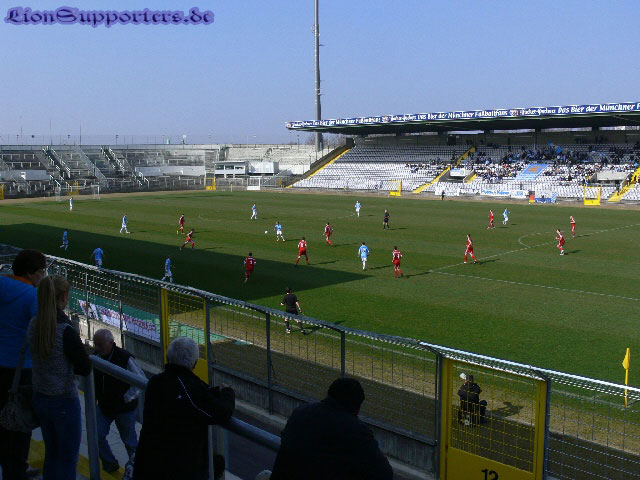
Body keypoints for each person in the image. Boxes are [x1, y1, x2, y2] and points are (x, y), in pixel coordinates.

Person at [132, 337, 235, 480]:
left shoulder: (156, 382)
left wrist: (213, 391)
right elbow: (222, 413)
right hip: (174, 470)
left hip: (147, 464)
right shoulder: (189, 388)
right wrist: (228, 392)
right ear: (194, 363)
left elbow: (190, 398)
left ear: (168, 357)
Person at [29, 275, 92, 480]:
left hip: (40, 398)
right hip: (63, 401)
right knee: (67, 460)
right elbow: (85, 367)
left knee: (52, 454)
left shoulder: (34, 323)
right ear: (64, 297)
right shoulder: (65, 330)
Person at [270, 378, 393, 480]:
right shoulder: (355, 430)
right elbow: (384, 473)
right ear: (356, 407)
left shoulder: (300, 412)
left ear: (329, 394)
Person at [0, 249, 46, 480]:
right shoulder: (32, 296)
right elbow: (42, 333)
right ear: (30, 273)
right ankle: (16, 471)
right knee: (20, 422)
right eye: (41, 271)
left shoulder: (2, 283)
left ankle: (10, 467)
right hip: (21, 369)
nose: (43, 276)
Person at [92, 329, 144, 474]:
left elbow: (140, 379)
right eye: (96, 344)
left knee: (130, 442)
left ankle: (137, 470)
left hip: (124, 409)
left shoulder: (125, 358)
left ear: (111, 343)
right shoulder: (96, 356)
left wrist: (126, 398)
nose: (97, 348)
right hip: (105, 406)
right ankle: (110, 463)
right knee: (96, 435)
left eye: (100, 345)